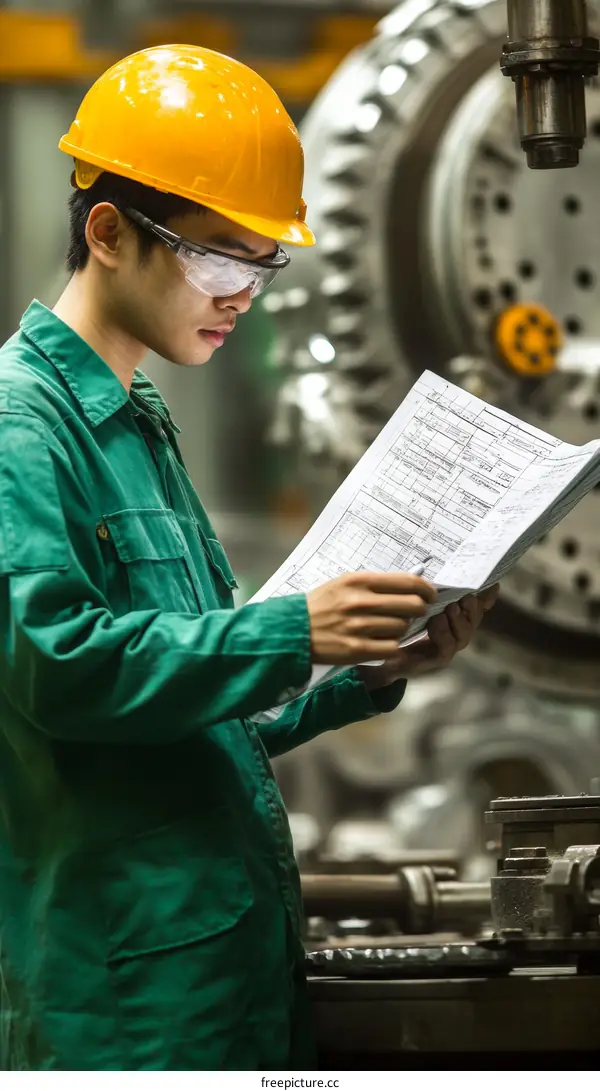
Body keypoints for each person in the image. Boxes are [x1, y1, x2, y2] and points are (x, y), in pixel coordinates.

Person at [0, 45, 498, 1071]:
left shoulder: (136, 421)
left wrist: (364, 667)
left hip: (222, 978)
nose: (245, 294)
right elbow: (59, 663)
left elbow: (204, 713)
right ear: (107, 232)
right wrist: (289, 626)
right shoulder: (21, 427)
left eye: (264, 266)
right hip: (123, 1001)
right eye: (223, 257)